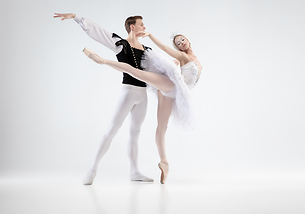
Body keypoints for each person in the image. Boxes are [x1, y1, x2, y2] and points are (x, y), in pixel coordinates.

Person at [82, 31, 202, 184]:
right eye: (178, 43)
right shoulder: (184, 56)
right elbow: (165, 48)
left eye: (182, 40)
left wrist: (175, 64)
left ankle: (164, 161)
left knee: (162, 128)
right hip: (170, 85)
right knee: (135, 72)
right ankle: (101, 60)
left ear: (188, 39)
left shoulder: (195, 59)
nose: (181, 44)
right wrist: (151, 36)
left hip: (173, 94)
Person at [53, 13, 153, 185]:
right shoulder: (120, 44)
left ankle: (134, 171)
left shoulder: (148, 50)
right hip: (128, 92)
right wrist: (77, 18)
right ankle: (92, 170)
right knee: (111, 130)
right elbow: (99, 32)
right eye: (141, 24)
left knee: (135, 133)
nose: (144, 27)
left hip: (143, 95)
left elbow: (161, 69)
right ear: (132, 27)